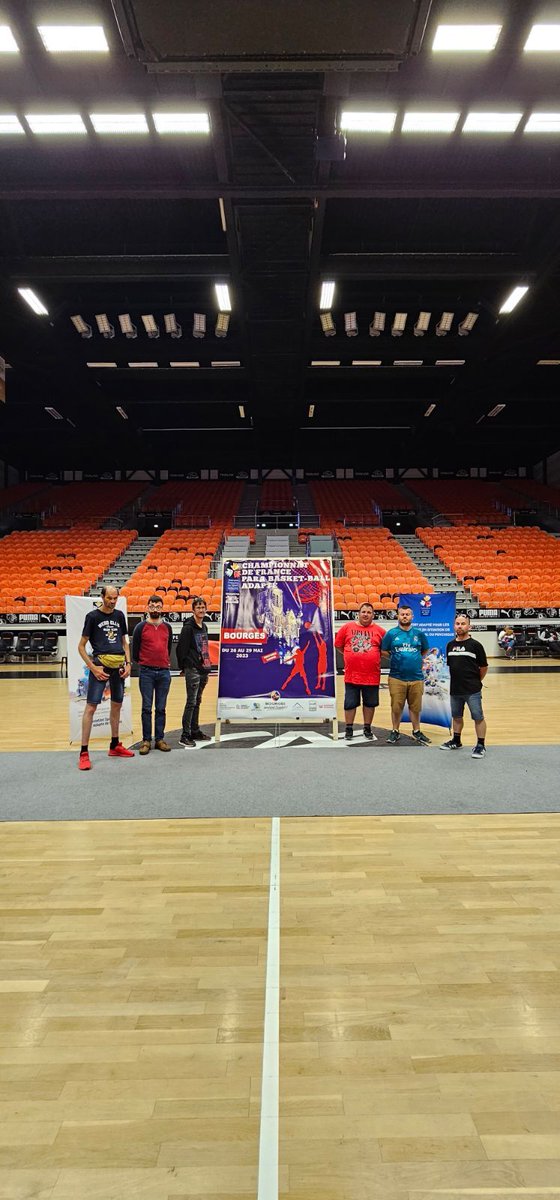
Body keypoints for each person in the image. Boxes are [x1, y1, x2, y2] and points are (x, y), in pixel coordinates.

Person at [77, 585, 133, 771]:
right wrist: (92, 668)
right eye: (109, 598)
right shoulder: (92, 617)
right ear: (102, 597)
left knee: (117, 704)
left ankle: (114, 745)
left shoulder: (119, 616)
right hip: (100, 667)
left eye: (115, 598)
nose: (112, 601)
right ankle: (84, 753)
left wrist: (128, 663)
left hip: (118, 667)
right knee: (91, 707)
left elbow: (124, 643)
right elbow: (81, 646)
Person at [381, 604, 431, 745]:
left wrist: (413, 659)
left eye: (407, 614)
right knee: (396, 707)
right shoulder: (391, 634)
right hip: (397, 677)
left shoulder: (419, 634)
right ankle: (395, 731)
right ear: (398, 616)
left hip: (416, 678)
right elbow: (384, 651)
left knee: (415, 707)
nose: (404, 616)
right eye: (402, 614)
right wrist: (396, 657)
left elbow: (425, 650)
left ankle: (416, 731)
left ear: (412, 616)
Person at [334, 601, 384, 741]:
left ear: (373, 615)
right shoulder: (347, 627)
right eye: (363, 612)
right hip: (352, 675)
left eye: (369, 612)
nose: (366, 614)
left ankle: (367, 728)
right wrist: (350, 655)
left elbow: (385, 650)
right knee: (350, 703)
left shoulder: (380, 631)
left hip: (372, 675)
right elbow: (339, 645)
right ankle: (348, 728)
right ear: (358, 613)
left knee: (370, 703)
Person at [441, 612, 488, 758]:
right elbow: (451, 666)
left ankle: (480, 745)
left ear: (469, 626)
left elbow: (483, 667)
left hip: (472, 690)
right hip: (455, 689)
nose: (459, 626)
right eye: (457, 624)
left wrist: (475, 681)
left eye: (463, 623)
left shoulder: (476, 645)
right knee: (456, 716)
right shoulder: (450, 645)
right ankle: (456, 740)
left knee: (478, 717)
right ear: (454, 626)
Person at [131, 595, 173, 755]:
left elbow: (168, 649)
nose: (155, 609)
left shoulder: (167, 627)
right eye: (152, 606)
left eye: (158, 606)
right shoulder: (140, 627)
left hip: (164, 672)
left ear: (162, 608)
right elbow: (135, 652)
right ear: (147, 608)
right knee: (146, 708)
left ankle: (160, 739)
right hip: (146, 672)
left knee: (161, 708)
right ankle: (146, 740)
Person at [176, 596, 212, 747]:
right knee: (191, 702)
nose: (201, 610)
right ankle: (185, 735)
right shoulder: (188, 627)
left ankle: (195, 730)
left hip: (203, 669)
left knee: (198, 701)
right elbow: (181, 649)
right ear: (193, 610)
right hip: (192, 669)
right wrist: (184, 667)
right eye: (198, 607)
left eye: (203, 607)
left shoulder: (204, 626)